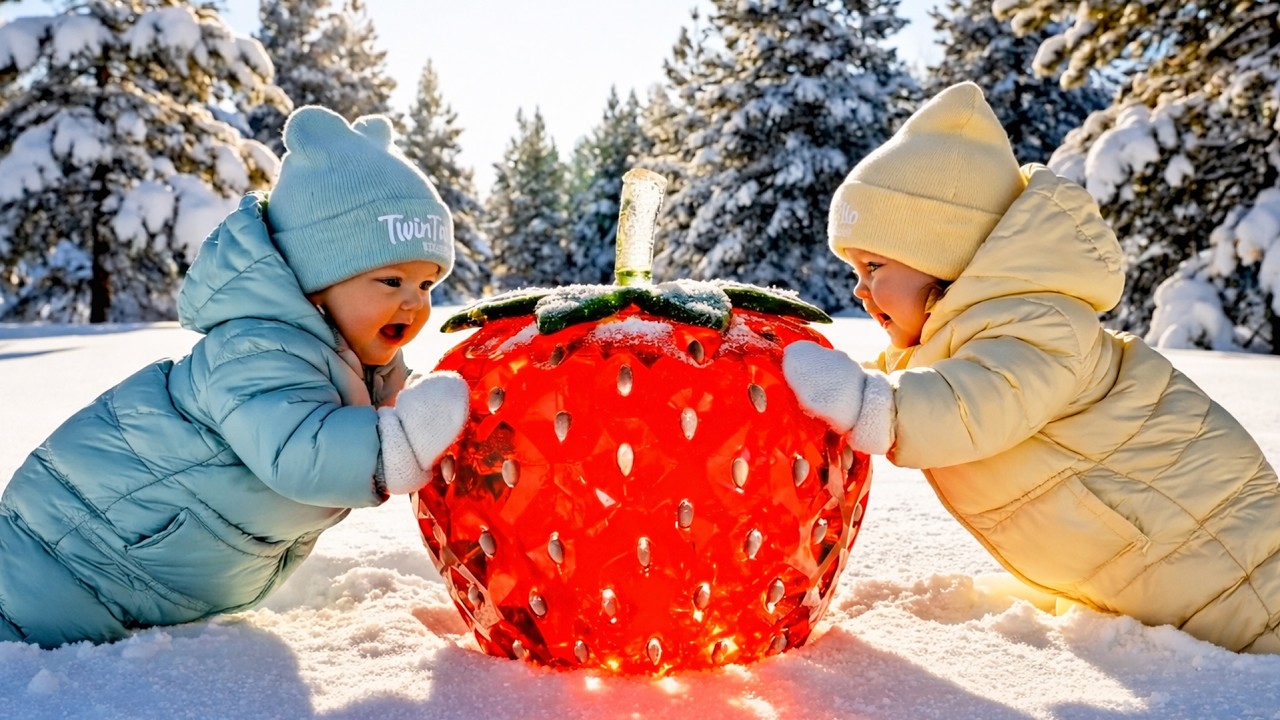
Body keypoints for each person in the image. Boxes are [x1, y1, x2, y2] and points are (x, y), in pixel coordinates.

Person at [783, 82, 1280, 653]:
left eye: (873, 265)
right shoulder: (962, 342)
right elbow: (931, 383)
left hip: (1231, 567)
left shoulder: (1037, 324)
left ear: (946, 257)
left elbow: (979, 401)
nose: (859, 287)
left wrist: (873, 404)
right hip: (1160, 571)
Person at [0, 106, 469, 648]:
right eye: (390, 280)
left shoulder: (362, 359)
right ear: (317, 282)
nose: (413, 303)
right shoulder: (257, 348)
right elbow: (299, 452)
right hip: (66, 561)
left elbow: (397, 411)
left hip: (134, 573)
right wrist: (404, 437)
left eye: (428, 284)